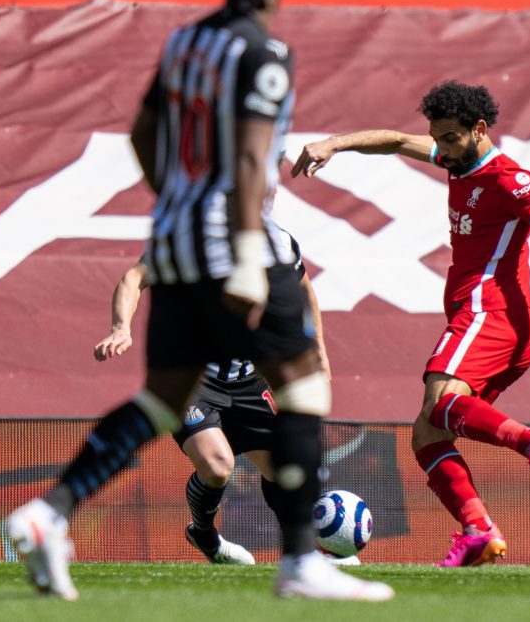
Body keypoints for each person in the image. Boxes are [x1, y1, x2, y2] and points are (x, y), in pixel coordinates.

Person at [5, 0, 393, 601]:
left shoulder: (185, 43)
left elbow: (142, 130)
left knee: (161, 399)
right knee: (304, 386)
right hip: (233, 245)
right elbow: (249, 160)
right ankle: (302, 562)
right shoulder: (264, 53)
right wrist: (245, 254)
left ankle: (48, 512)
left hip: (177, 241)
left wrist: (178, 201)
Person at [291, 80, 530, 567]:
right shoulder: (456, 159)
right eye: (437, 137)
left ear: (478, 130)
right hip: (488, 320)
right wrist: (334, 144)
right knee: (427, 433)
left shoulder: (509, 180)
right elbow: (397, 142)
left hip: (492, 314)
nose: (439, 149)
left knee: (441, 401)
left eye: (448, 138)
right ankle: (479, 529)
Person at [92, 221, 347, 567]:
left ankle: (305, 554)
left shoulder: (279, 242)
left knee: (286, 466)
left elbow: (304, 291)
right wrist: (120, 327)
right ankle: (204, 533)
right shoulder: (189, 237)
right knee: (217, 465)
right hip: (192, 378)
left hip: (248, 379)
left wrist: (318, 352)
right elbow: (134, 278)